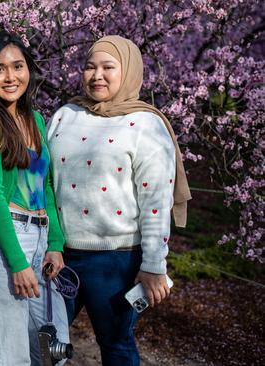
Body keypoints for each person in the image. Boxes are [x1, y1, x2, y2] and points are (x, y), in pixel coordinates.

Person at [46, 35, 192, 366]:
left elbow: (155, 201)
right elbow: (45, 179)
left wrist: (154, 264)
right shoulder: (65, 115)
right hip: (59, 252)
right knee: (46, 340)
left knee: (115, 344)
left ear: (127, 71)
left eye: (108, 67)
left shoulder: (145, 124)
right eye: (89, 67)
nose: (97, 75)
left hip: (115, 260)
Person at [0, 30, 70, 366]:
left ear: (29, 70)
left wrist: (54, 242)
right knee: (13, 357)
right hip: (3, 243)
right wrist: (18, 262)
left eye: (17, 66)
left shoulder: (36, 120)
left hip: (40, 239)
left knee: (56, 349)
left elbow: (47, 186)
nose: (10, 77)